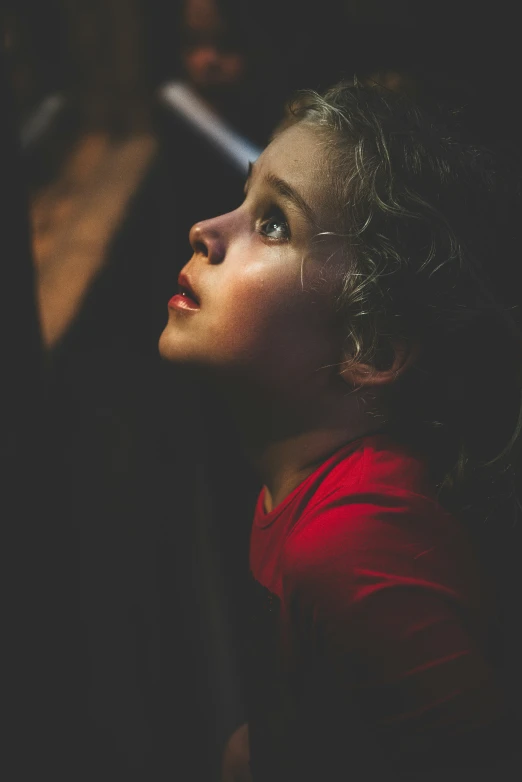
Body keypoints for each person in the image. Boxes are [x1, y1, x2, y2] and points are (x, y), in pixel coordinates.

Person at [158, 80, 522, 780]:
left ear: (371, 348)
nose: (207, 229)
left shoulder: (353, 547)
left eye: (273, 224)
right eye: (245, 197)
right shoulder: (304, 492)